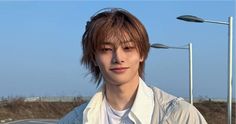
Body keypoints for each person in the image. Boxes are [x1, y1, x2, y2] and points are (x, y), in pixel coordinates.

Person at [58, 8, 207, 124]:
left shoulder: (180, 116)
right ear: (94, 58)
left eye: (128, 48)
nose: (118, 58)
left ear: (142, 53)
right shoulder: (74, 120)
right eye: (106, 49)